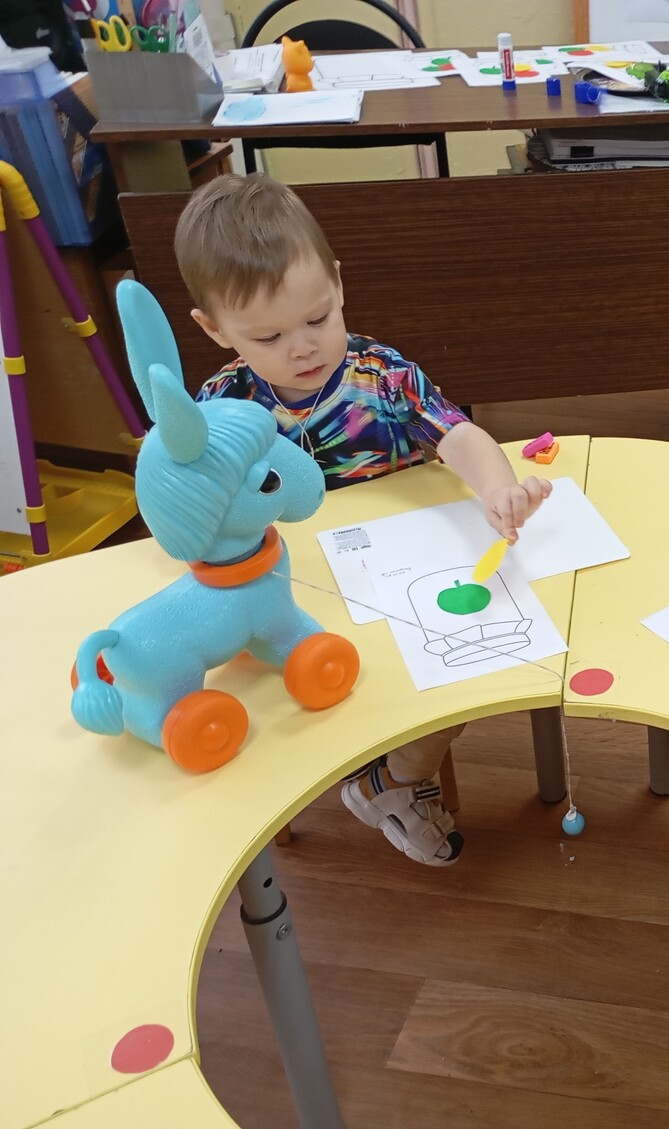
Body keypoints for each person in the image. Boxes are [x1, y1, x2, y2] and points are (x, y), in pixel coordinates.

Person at [177, 173, 551, 866]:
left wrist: (498, 487)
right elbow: (197, 507)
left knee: (473, 661)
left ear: (339, 284)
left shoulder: (380, 375)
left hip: (400, 583)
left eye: (318, 318)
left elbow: (458, 435)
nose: (302, 347)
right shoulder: (221, 407)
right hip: (296, 596)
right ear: (213, 328)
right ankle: (336, 775)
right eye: (268, 335)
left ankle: (393, 780)